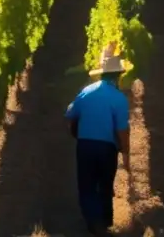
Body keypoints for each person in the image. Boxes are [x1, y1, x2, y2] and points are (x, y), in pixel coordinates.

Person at [65, 51, 131, 236]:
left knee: (86, 184)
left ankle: (93, 220)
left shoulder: (86, 92)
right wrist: (126, 154)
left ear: (102, 73)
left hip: (85, 145)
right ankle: (103, 221)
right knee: (105, 183)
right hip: (107, 149)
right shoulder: (120, 99)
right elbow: (122, 130)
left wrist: (75, 132)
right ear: (118, 76)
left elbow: (70, 114)